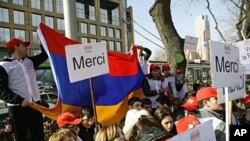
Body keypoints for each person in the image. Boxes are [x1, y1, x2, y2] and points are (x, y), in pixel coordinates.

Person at [0, 38, 48, 141]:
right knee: (22, 137)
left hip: (35, 105)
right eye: (23, 45)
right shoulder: (3, 66)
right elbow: (1, 91)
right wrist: (20, 100)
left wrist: (42, 40)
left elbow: (45, 54)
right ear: (15, 47)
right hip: (18, 109)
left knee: (38, 136)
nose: (27, 48)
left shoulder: (29, 61)